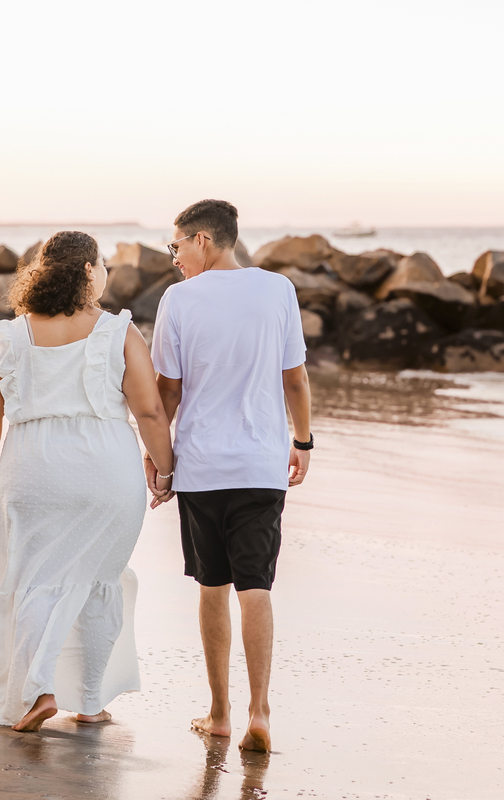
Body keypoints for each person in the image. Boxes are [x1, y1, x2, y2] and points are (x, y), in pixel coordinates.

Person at [0, 230, 175, 732]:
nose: (106, 273)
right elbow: (149, 411)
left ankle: (38, 690)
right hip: (105, 468)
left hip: (31, 467)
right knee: (98, 579)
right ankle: (90, 702)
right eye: (102, 264)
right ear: (87, 271)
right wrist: (164, 471)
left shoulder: (12, 336)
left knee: (35, 580)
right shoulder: (118, 331)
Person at [147, 199, 313, 752]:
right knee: (256, 587)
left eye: (176, 246)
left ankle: (219, 713)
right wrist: (303, 441)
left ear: (202, 239)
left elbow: (167, 391)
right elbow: (295, 378)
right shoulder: (278, 289)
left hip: (201, 468)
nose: (174, 258)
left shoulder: (178, 300)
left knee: (212, 586)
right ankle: (259, 712)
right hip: (261, 465)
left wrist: (158, 458)